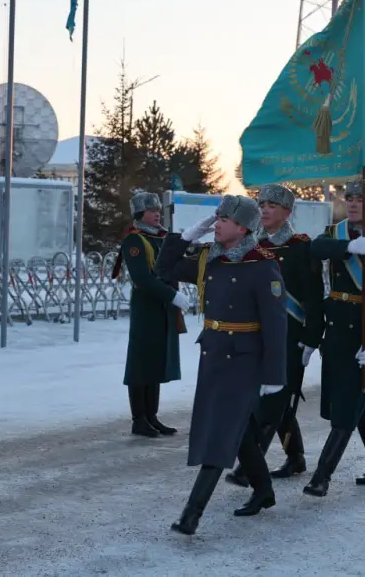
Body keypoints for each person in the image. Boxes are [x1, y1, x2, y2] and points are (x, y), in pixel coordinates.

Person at [156, 196, 288, 536]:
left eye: (223, 220)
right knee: (239, 429)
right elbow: (164, 269)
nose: (216, 224)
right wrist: (186, 236)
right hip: (214, 354)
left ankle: (191, 515)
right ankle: (263, 490)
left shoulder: (262, 265)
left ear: (242, 228)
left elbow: (275, 324)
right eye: (216, 218)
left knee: (219, 430)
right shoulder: (210, 259)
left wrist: (274, 374)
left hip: (244, 359)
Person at [302, 179, 365, 498]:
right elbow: (315, 248)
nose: (354, 204)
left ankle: (322, 476)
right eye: (351, 198)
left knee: (347, 404)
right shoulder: (336, 233)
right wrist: (348, 247)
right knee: (357, 397)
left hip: (364, 328)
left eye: (362, 200)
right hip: (336, 326)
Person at [226, 184, 324, 486]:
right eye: (262, 205)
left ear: (287, 212)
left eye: (272, 205)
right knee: (275, 399)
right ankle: (295, 457)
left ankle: (248, 468)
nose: (265, 210)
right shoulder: (252, 245)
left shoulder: (301, 247)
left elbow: (314, 297)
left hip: (290, 337)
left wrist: (311, 338)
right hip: (258, 335)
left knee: (273, 401)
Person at [112, 192, 184, 438]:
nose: (157, 214)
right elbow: (142, 278)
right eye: (152, 211)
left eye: (158, 211)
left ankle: (152, 416)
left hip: (163, 307)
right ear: (140, 214)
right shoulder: (135, 240)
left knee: (156, 361)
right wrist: (171, 295)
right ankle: (139, 419)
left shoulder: (161, 238)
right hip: (146, 308)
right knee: (141, 363)